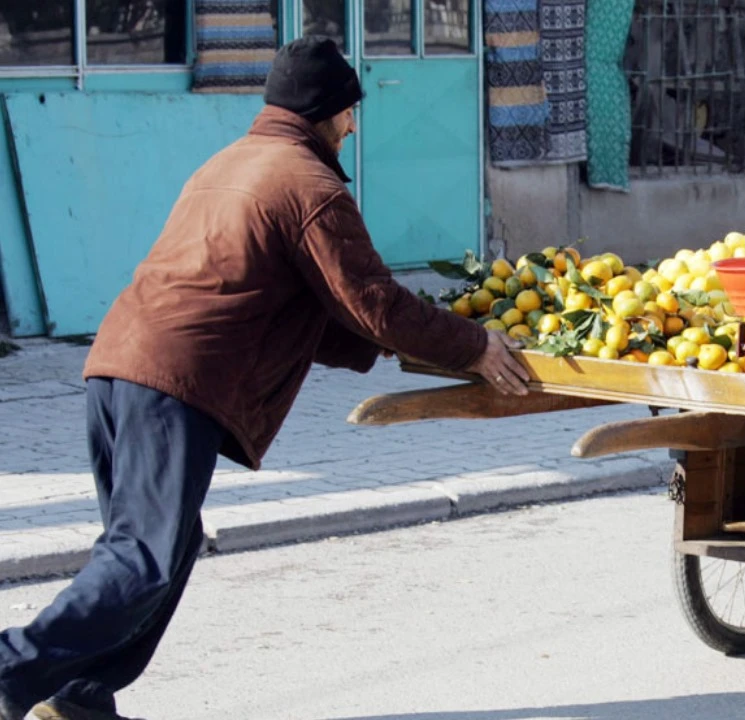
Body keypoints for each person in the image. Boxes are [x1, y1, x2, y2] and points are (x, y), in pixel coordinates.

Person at [0, 36, 528, 720]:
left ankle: (79, 697)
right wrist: (473, 348)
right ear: (323, 112)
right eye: (348, 112)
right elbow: (374, 301)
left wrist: (406, 350)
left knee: (160, 545)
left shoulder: (231, 164)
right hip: (172, 381)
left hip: (118, 368)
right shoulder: (308, 187)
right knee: (143, 557)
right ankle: (13, 668)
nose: (354, 126)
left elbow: (312, 310)